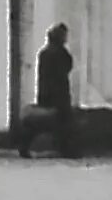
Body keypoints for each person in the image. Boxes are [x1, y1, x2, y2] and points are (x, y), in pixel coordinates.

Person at [16, 24, 77, 159]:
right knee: (62, 122)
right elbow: (67, 67)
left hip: (46, 93)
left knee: (43, 124)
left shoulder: (45, 53)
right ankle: (67, 149)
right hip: (59, 94)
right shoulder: (60, 52)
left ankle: (25, 146)